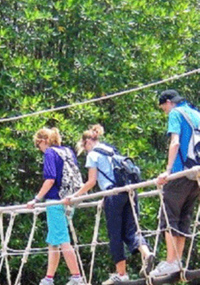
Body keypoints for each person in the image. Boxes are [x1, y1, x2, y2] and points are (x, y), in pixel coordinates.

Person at [65, 124, 154, 285]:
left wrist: (74, 196)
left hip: (113, 195)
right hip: (129, 192)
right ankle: (147, 254)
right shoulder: (110, 150)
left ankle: (122, 273)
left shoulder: (93, 155)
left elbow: (91, 181)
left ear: (86, 142)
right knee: (131, 230)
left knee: (115, 234)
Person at [150, 90, 200, 277]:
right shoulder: (196, 114)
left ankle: (171, 261)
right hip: (196, 175)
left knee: (169, 215)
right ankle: (179, 260)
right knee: (184, 217)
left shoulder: (176, 113)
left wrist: (168, 171)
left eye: (163, 108)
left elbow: (175, 142)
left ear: (169, 102)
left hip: (180, 173)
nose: (164, 112)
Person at [26, 128, 85, 285]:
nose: (39, 149)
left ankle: (77, 277)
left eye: (38, 145)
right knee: (54, 240)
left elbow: (50, 179)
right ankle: (49, 278)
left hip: (55, 201)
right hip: (70, 200)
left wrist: (36, 199)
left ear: (43, 141)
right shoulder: (67, 151)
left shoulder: (50, 153)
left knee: (63, 240)